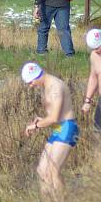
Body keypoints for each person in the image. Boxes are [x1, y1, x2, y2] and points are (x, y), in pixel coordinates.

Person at [21, 62, 79, 194]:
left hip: (67, 128)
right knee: (42, 171)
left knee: (53, 169)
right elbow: (54, 117)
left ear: (36, 76)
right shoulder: (46, 86)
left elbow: (54, 118)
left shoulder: (55, 87)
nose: (30, 86)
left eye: (30, 82)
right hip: (58, 128)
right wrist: (42, 120)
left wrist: (35, 125)